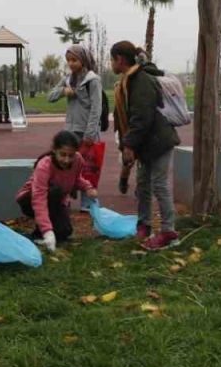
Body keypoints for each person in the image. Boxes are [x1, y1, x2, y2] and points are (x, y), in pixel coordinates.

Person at [111, 41, 181, 250]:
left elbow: (142, 117)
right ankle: (144, 225)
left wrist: (129, 145)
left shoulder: (140, 80)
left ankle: (169, 232)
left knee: (158, 185)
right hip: (146, 144)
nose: (111, 64)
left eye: (111, 59)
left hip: (158, 142)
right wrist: (126, 144)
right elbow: (125, 115)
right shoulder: (127, 81)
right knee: (143, 186)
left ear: (120, 60)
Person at [17, 131, 98, 251]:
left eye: (71, 155)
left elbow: (76, 178)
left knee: (64, 231)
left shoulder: (78, 160)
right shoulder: (44, 165)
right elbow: (39, 199)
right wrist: (47, 231)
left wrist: (88, 187)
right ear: (54, 150)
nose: (66, 160)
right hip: (30, 200)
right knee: (55, 192)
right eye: (63, 154)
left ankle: (38, 235)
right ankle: (43, 230)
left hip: (57, 199)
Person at [47, 44, 104, 210]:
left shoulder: (93, 80)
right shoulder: (67, 79)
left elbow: (96, 108)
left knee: (88, 169)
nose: (71, 63)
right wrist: (63, 91)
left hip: (87, 132)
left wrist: (90, 134)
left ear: (83, 59)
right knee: (66, 166)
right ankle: (65, 201)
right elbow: (50, 97)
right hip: (70, 132)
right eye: (68, 60)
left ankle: (88, 204)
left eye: (74, 60)